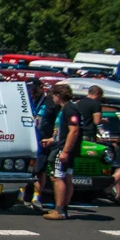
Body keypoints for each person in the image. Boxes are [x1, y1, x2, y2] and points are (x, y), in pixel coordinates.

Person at [43, 83, 82, 221]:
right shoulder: (66, 108)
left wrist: (65, 151)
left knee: (57, 177)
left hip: (63, 149)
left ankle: (59, 210)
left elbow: (74, 130)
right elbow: (64, 132)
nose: (52, 98)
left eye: (53, 95)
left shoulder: (69, 109)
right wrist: (51, 140)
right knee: (66, 177)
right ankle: (62, 208)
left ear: (58, 95)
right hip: (63, 146)